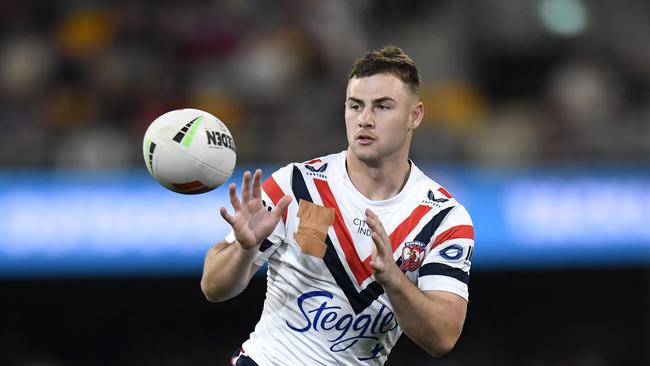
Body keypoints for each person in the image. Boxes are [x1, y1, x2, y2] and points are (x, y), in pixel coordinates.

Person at [201, 46, 475, 365]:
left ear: (415, 115)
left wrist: (394, 279)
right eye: (355, 105)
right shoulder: (297, 186)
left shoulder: (441, 218)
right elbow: (213, 287)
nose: (365, 120)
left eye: (383, 107)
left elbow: (443, 337)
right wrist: (244, 249)